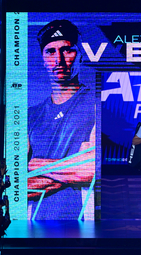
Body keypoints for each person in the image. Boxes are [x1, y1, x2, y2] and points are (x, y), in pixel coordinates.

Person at [27, 20, 95, 219]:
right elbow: (16, 184)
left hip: (87, 229)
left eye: (67, 50)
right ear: (42, 57)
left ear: (80, 54)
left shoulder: (97, 104)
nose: (59, 60)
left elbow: (90, 171)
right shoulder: (31, 115)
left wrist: (34, 165)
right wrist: (72, 168)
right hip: (36, 229)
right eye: (50, 52)